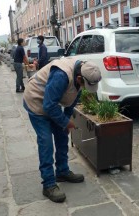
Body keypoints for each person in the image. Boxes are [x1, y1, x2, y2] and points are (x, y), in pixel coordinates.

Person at [23, 58, 101, 203]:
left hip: (50, 102)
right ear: (79, 78)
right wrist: (65, 122)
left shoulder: (81, 73)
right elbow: (48, 106)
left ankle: (62, 171)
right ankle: (48, 184)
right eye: (84, 84)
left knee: (62, 135)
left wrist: (65, 124)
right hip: (36, 100)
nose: (85, 88)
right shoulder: (61, 75)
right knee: (46, 142)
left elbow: (71, 102)